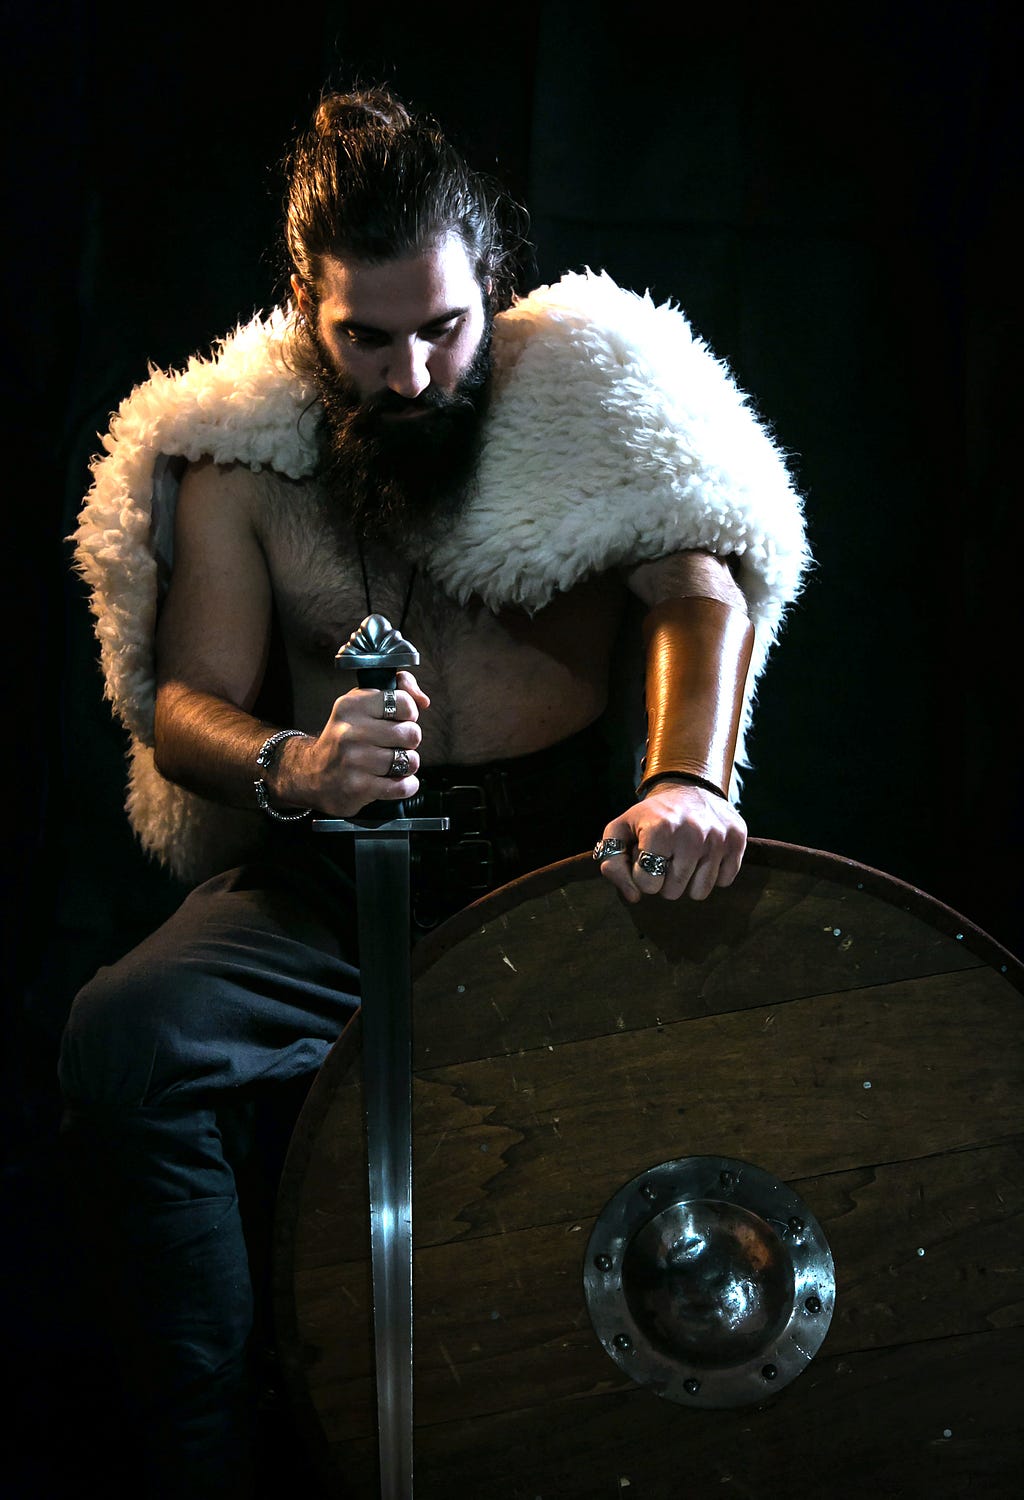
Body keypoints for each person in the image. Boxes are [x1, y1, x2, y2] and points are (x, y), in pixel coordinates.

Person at [60, 89, 809, 1498]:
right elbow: (178, 706)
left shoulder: (594, 394)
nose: (409, 375)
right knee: (129, 1036)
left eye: (441, 329)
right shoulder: (237, 457)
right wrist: (296, 762)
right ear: (305, 306)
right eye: (365, 337)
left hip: (560, 878)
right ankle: (213, 1451)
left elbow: (699, 589)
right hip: (328, 889)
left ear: (489, 285)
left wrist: (683, 784)